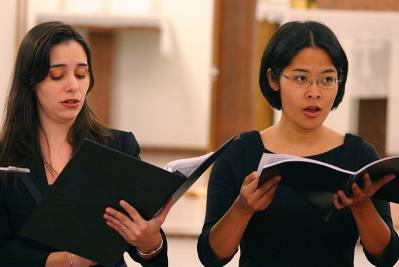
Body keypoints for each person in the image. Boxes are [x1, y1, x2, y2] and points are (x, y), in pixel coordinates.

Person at [197, 21, 399, 267]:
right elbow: (212, 257)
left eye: (327, 79)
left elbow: (386, 257)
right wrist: (242, 208)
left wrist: (362, 208)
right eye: (301, 78)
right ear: (273, 79)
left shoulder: (358, 155)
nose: (314, 92)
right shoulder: (240, 153)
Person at [0, 21, 171, 267]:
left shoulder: (118, 146)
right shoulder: (5, 155)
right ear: (31, 81)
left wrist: (150, 243)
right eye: (57, 75)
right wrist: (68, 261)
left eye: (81, 74)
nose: (73, 86)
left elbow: (148, 253)